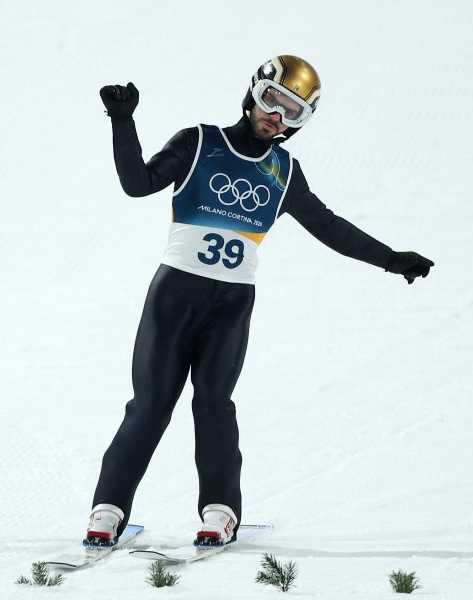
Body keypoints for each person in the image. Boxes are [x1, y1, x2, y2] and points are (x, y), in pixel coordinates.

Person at [85, 55, 433, 547]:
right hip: (173, 296)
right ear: (254, 93)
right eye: (273, 101)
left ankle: (220, 511)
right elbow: (136, 184)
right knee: (150, 405)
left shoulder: (284, 171)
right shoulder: (198, 141)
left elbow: (329, 227)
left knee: (213, 404)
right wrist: (123, 122)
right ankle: (107, 509)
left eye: (293, 113)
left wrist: (391, 259)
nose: (277, 117)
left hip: (230, 305)